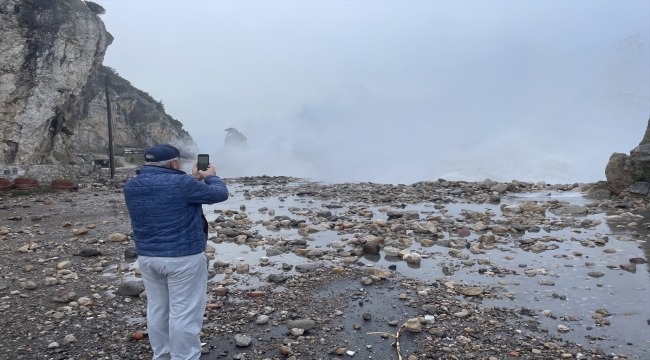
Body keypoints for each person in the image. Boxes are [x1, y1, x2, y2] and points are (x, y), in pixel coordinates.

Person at [123, 143, 229, 360]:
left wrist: (194, 179)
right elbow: (219, 194)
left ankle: (162, 356)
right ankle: (185, 357)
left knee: (158, 310)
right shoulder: (181, 183)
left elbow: (168, 196)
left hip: (148, 257)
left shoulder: (132, 185)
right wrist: (211, 176)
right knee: (184, 313)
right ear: (174, 163)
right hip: (183, 258)